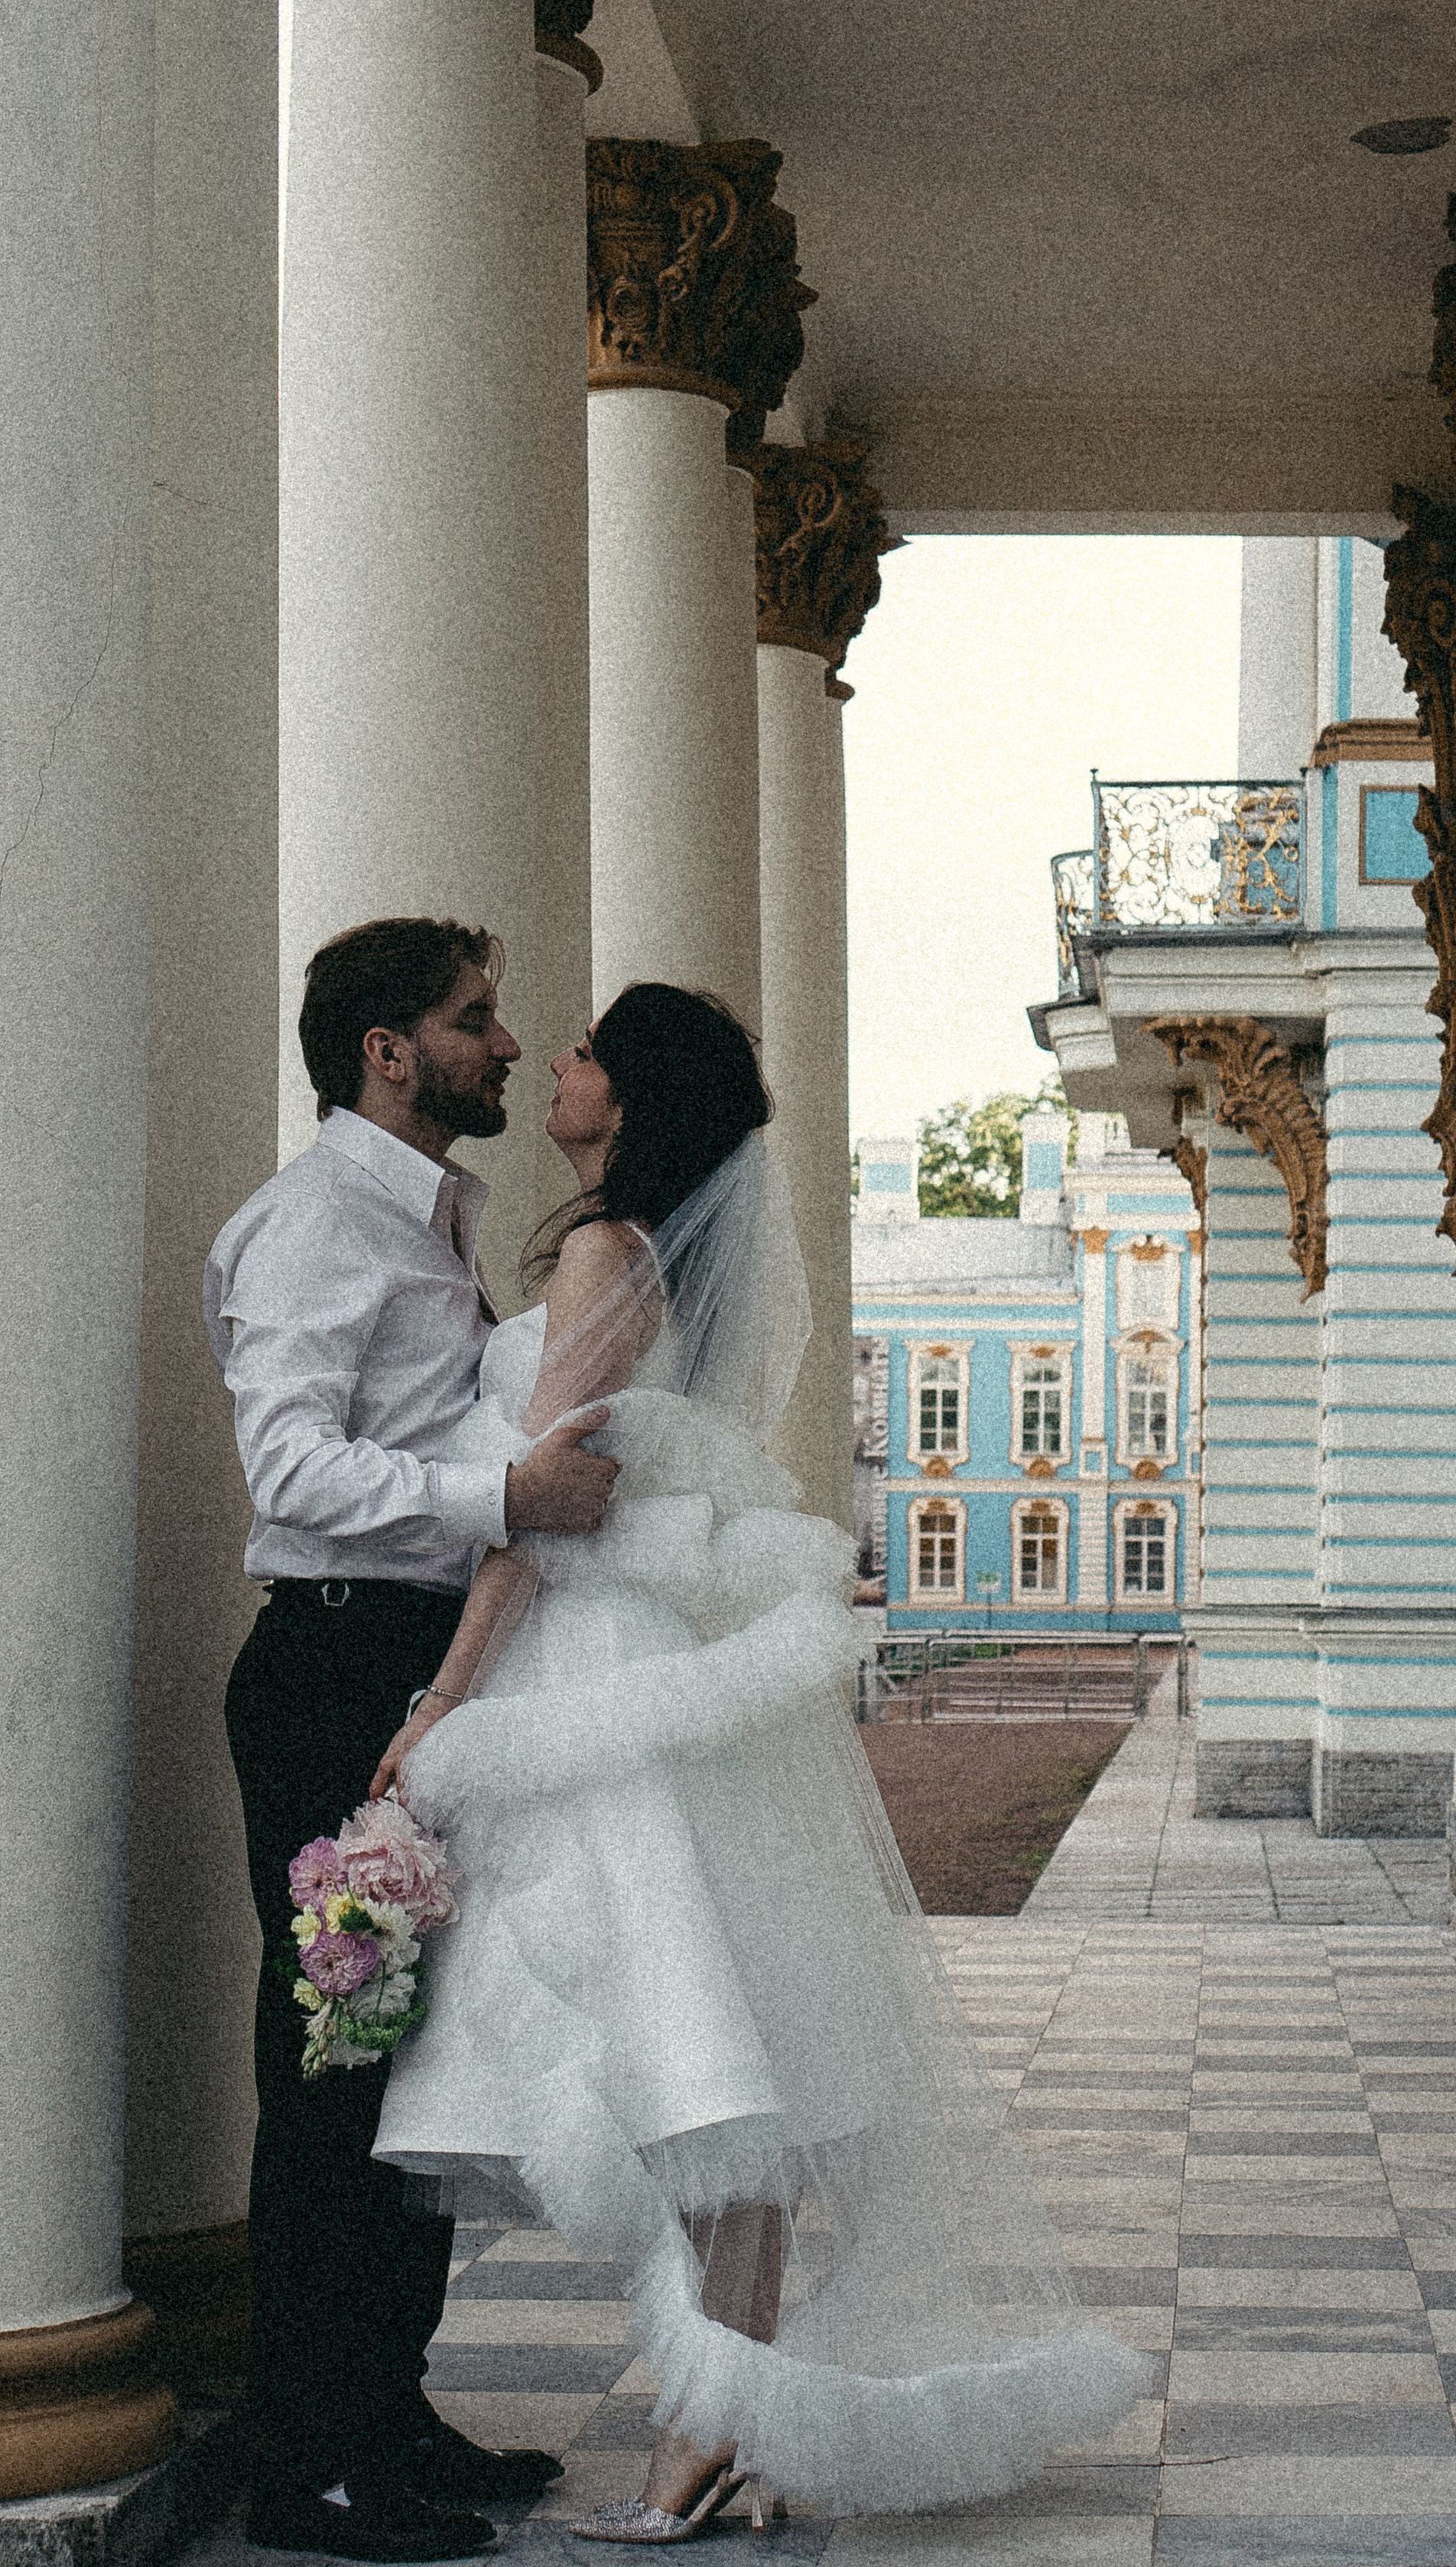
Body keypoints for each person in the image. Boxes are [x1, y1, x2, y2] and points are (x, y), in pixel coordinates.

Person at [370, 984, 1143, 2537]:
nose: (556, 1063)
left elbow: (545, 1503)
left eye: (587, 1051)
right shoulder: (660, 1257)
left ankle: (708, 2429)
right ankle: (722, 2423)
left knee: (693, 2060)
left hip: (594, 1667)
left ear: (633, 1098)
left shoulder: (606, 1250)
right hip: (653, 1658)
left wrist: (444, 1700)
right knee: (722, 2059)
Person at [208, 918, 622, 2564]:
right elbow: (289, 1470)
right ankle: (306, 2463)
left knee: (400, 2061)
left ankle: (386, 2411)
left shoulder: (425, 1213)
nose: (508, 1045)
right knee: (330, 2073)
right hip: (332, 1669)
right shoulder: (314, 1223)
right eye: (473, 1019)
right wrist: (503, 1494)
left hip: (410, 1667)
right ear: (386, 1052)